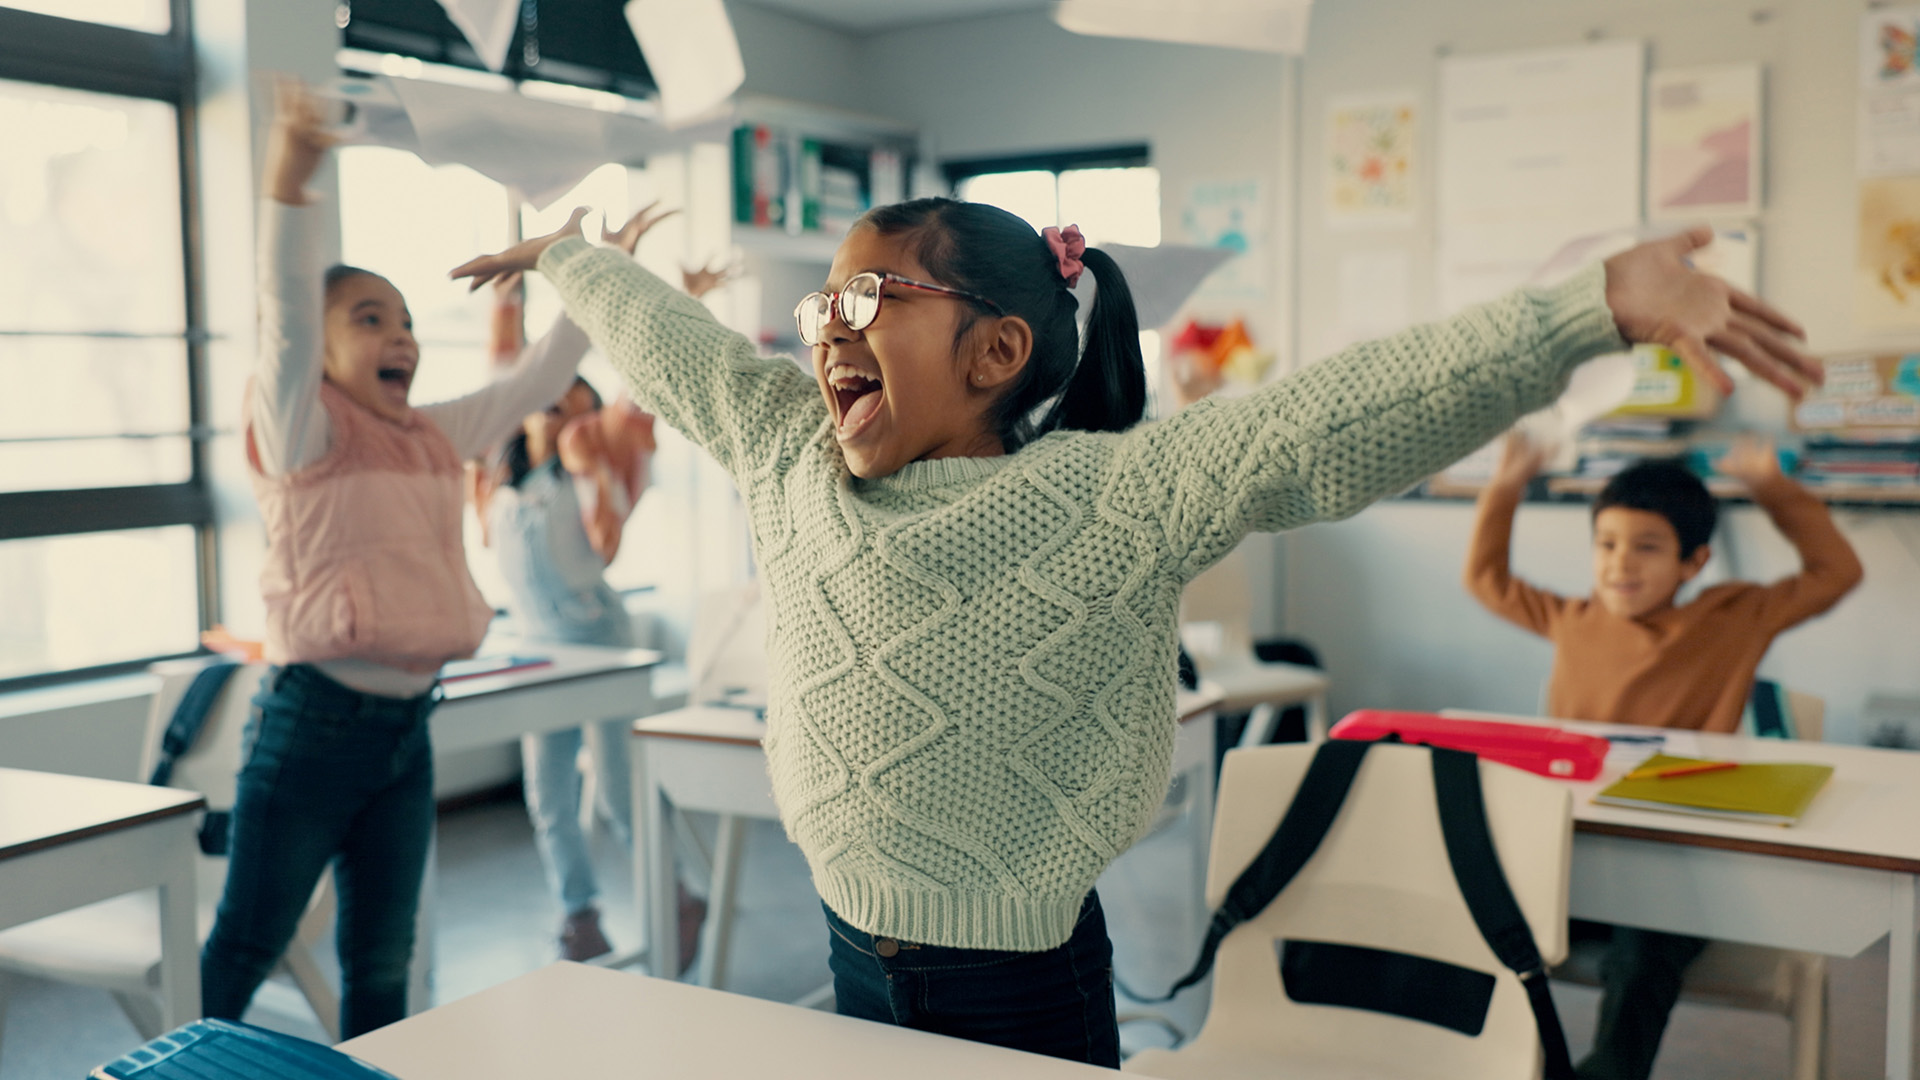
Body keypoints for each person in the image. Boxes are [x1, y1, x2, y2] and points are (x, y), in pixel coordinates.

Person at [448, 195, 1820, 1066]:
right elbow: (671, 342)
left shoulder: (1110, 495)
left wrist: (1591, 309)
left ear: (997, 353)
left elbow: (1333, 417)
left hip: (1022, 978)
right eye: (824, 305)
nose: (827, 332)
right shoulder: (782, 446)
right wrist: (570, 256)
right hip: (849, 940)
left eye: (869, 302)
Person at [199, 79, 653, 1037]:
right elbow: (286, 314)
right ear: (320, 353)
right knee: (244, 946)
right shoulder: (301, 431)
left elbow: (535, 379)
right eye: (369, 319)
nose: (400, 335)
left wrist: (594, 274)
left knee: (382, 960)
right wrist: (290, 180)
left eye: (404, 320)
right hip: (310, 726)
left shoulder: (433, 437)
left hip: (406, 732)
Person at [1463, 431, 1862, 1079]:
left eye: (1647, 547)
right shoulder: (1570, 618)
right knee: (1481, 909)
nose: (1621, 563)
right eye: (1607, 544)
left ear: (1694, 561)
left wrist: (1772, 488)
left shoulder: (1734, 618)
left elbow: (1836, 573)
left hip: (1681, 874)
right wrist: (1507, 486)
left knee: (1644, 952)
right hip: (1577, 864)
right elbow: (1485, 578)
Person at [472, 241, 729, 963]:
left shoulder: (595, 464)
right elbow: (506, 375)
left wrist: (678, 297)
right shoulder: (494, 471)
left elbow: (644, 387)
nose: (562, 409)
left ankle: (677, 895)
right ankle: (578, 916)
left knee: (618, 790)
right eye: (552, 396)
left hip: (599, 638)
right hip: (534, 648)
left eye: (578, 405)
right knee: (548, 794)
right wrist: (506, 293)